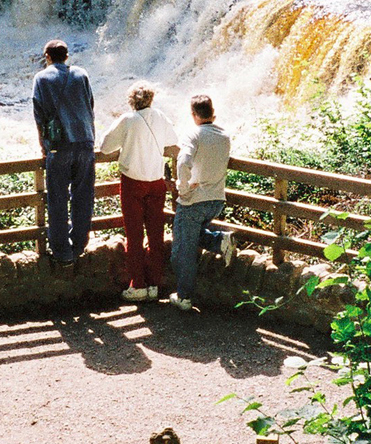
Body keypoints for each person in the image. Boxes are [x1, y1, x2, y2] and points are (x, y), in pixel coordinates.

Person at [99, 81, 180, 302]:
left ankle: (138, 285)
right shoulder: (161, 117)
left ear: (132, 101)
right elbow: (173, 143)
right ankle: (155, 283)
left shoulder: (127, 120)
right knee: (155, 233)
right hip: (156, 182)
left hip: (133, 182)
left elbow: (105, 147)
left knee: (134, 234)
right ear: (151, 99)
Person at [32, 39, 96, 267]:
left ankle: (62, 252)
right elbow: (90, 106)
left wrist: (44, 146)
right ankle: (79, 244)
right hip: (85, 142)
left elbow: (39, 116)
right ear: (67, 56)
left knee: (57, 199)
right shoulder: (82, 74)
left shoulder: (41, 78)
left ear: (47, 57)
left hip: (60, 146)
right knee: (84, 196)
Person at [169, 94, 235, 310]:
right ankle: (219, 241)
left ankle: (184, 297)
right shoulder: (224, 135)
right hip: (216, 200)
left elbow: (183, 162)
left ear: (193, 114)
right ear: (212, 112)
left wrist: (184, 189)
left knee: (182, 249)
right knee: (192, 237)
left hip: (195, 201)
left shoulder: (193, 134)